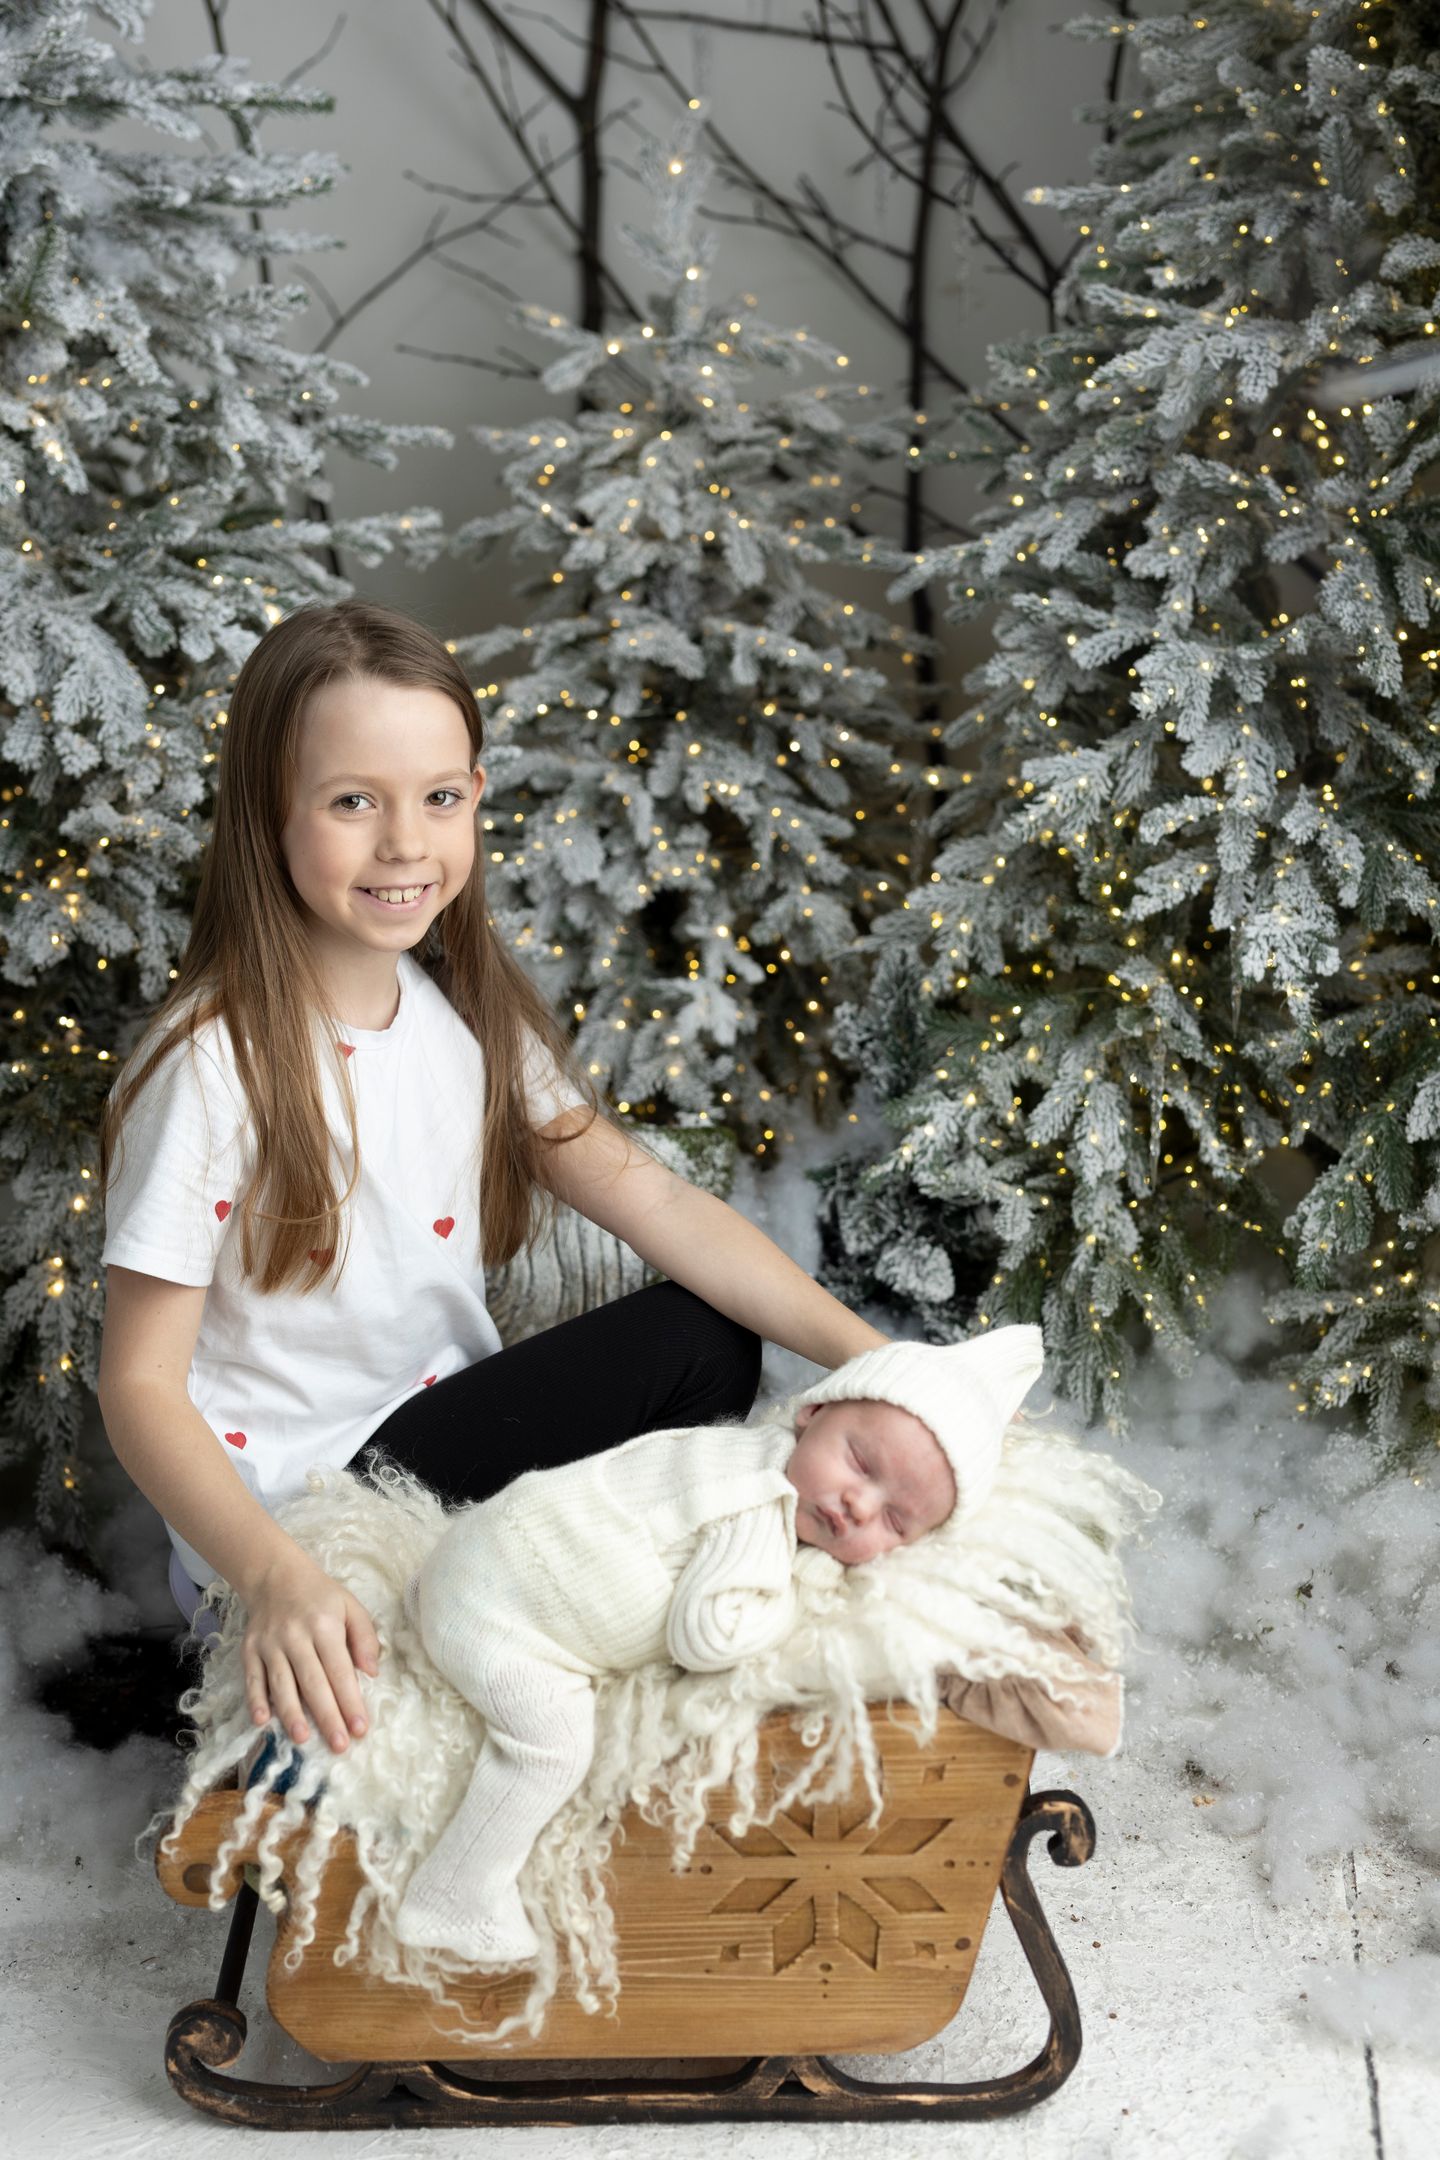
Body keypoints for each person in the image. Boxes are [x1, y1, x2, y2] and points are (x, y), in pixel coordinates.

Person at [95, 599, 892, 1776]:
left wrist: (881, 1367)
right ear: (266, 812)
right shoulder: (213, 1064)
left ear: (476, 795)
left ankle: (571, 1596)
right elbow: (139, 1384)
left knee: (710, 1343)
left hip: (440, 1439)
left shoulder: (461, 1007)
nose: (405, 845)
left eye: (439, 798)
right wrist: (273, 1575)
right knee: (691, 1346)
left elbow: (658, 1203)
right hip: (313, 1502)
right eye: (352, 802)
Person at [393, 1326, 1044, 1966]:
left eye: (894, 1520)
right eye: (861, 1464)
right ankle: (452, 1897)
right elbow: (706, 1638)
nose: (858, 1504)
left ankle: (429, 1605)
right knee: (554, 1747)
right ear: (813, 1411)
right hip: (499, 1621)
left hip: (473, 1552)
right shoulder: (758, 1508)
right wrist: (802, 1583)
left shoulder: (748, 1450)